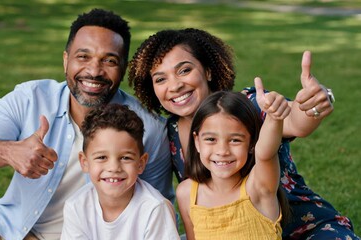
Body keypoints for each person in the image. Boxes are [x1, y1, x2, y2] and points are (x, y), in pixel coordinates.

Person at [0, 9, 173, 240]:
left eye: (109, 60)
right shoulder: (31, 98)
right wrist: (8, 152)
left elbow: (152, 209)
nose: (94, 71)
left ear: (122, 69)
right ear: (65, 61)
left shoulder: (149, 129)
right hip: (6, 226)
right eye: (83, 57)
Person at [129, 28, 359, 239]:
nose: (175, 85)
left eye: (185, 70)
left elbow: (295, 120)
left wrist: (314, 104)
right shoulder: (169, 132)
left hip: (306, 228)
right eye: (160, 79)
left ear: (208, 71)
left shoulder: (247, 105)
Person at [177, 85, 290, 239]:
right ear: (197, 141)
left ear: (251, 144)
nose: (222, 151)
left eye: (235, 140)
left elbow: (265, 154)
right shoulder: (187, 193)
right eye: (211, 139)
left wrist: (274, 117)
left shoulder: (258, 187)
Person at [61, 104, 179, 240]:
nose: (114, 168)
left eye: (125, 158)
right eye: (102, 157)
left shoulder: (155, 208)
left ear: (141, 163)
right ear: (85, 162)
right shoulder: (76, 206)